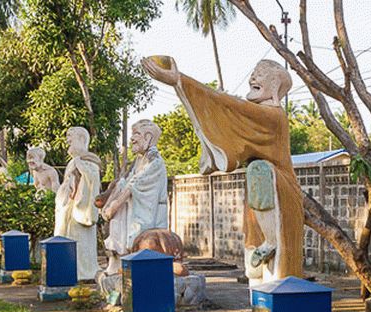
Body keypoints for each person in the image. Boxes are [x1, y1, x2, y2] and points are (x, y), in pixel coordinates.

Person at [142, 55, 303, 286]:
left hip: (279, 190)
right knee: (255, 271)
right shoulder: (259, 114)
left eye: (262, 74)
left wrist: (179, 80)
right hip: (262, 196)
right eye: (254, 72)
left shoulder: (273, 116)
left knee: (258, 170)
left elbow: (229, 105)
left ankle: (271, 242)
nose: (254, 77)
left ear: (276, 86)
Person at [100, 120, 168, 275]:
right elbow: (126, 182)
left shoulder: (155, 162)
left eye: (136, 134)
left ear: (149, 137)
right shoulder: (139, 160)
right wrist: (112, 203)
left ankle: (126, 260)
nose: (132, 139)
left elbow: (135, 184)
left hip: (150, 213)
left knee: (124, 216)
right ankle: (116, 260)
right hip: (136, 208)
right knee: (118, 216)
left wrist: (114, 205)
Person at [54, 127, 101, 281]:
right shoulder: (72, 162)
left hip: (80, 209)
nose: (68, 141)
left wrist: (81, 169)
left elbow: (92, 181)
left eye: (71, 138)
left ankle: (84, 272)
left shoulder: (90, 160)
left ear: (81, 139)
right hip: (68, 208)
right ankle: (68, 269)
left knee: (81, 243)